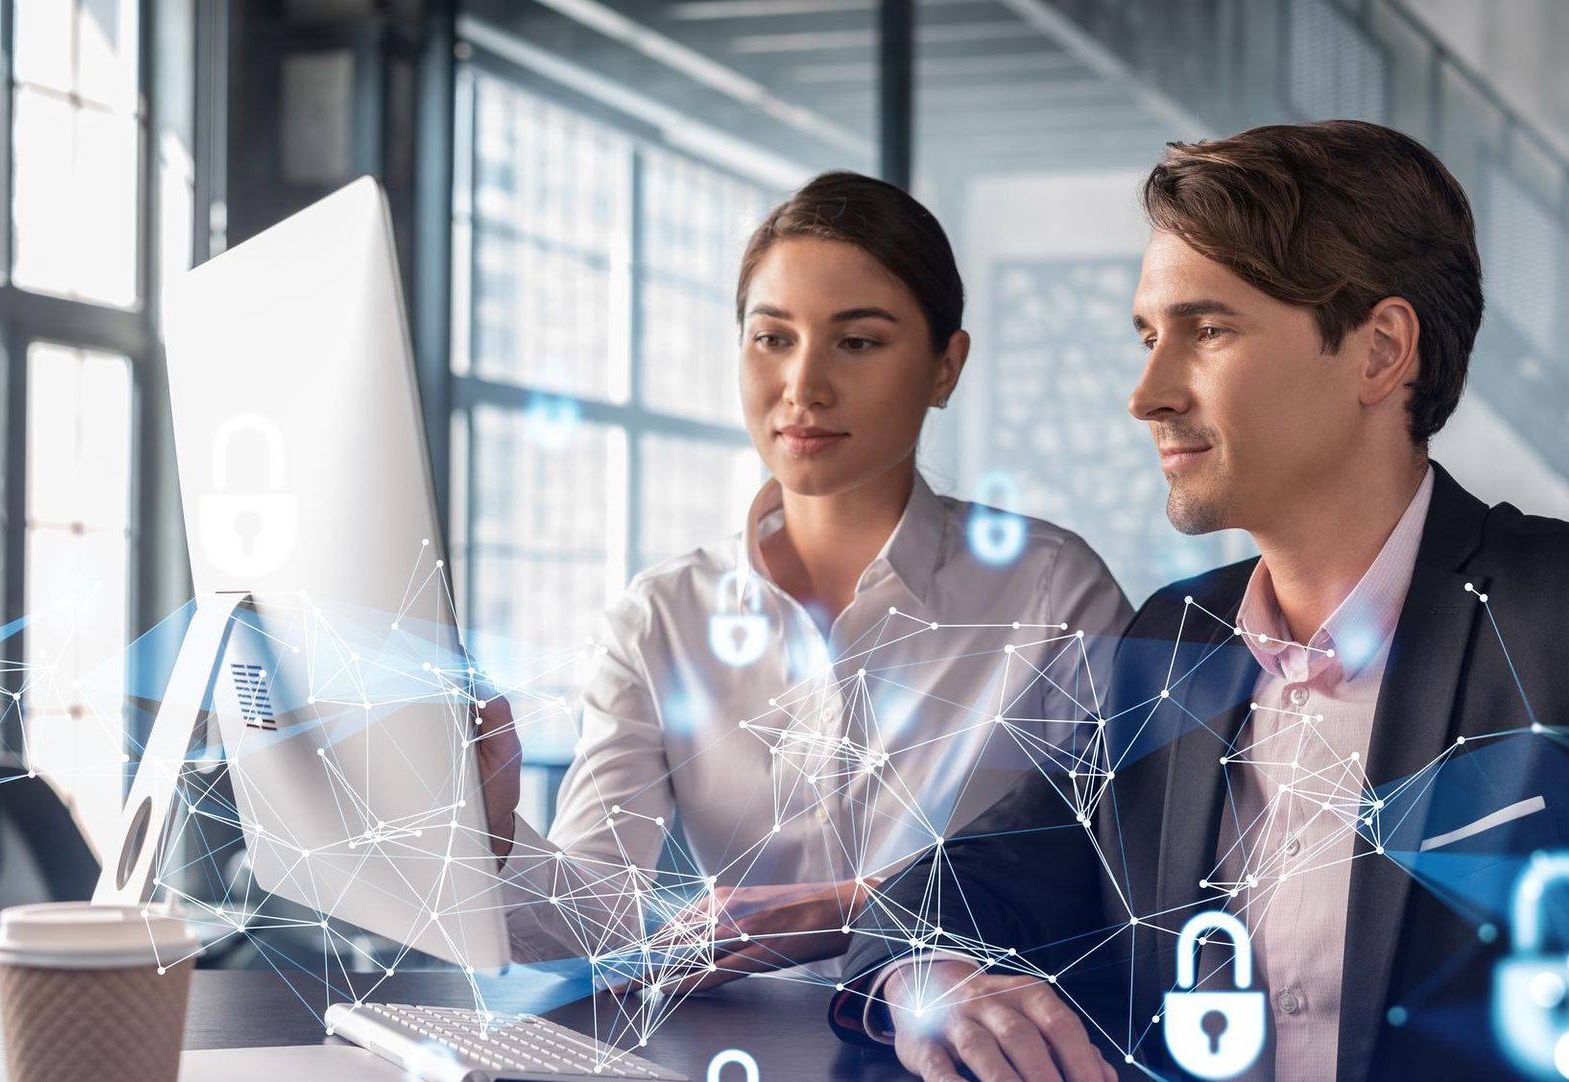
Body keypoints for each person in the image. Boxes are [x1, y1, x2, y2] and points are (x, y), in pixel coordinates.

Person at [828, 121, 1569, 1082]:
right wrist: (929, 978)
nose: (1146, 392)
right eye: (1150, 335)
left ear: (1379, 351)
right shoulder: (1174, 644)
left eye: (1207, 331)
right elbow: (957, 882)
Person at [479, 171, 1131, 987]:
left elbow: (1112, 882)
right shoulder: (662, 619)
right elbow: (594, 918)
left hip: (972, 1067)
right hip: (743, 1070)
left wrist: (852, 906)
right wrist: (495, 827)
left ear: (945, 367)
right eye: (773, 338)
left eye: (857, 341)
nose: (803, 387)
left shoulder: (1053, 594)